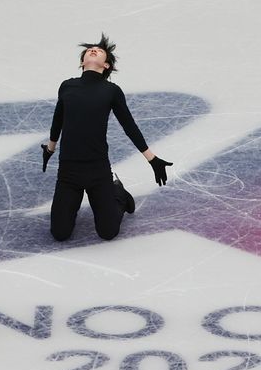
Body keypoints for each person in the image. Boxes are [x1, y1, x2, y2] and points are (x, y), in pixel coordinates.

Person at [42, 34, 173, 241]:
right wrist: (50, 148)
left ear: (106, 65)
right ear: (82, 61)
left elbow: (129, 126)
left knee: (108, 232)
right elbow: (58, 119)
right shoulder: (67, 86)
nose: (93, 50)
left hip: (98, 171)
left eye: (100, 51)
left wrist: (152, 159)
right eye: (89, 50)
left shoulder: (111, 90)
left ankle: (119, 194)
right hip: (69, 171)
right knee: (59, 233)